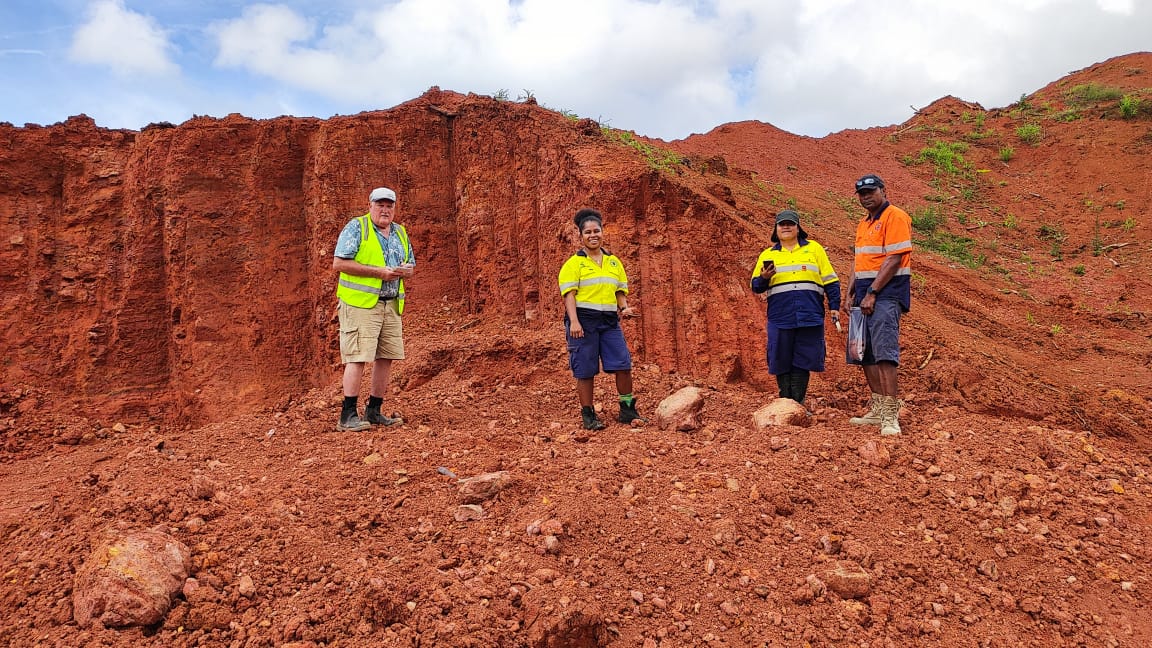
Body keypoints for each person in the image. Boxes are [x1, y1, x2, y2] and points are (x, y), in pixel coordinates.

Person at [331, 187, 415, 431]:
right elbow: (339, 263)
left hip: (390, 304)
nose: (385, 210)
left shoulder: (400, 232)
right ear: (370, 206)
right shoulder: (357, 228)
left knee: (385, 357)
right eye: (380, 205)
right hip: (360, 304)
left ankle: (374, 411)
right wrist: (379, 273)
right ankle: (347, 415)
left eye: (390, 205)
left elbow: (410, 263)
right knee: (357, 357)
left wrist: (406, 271)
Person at [557, 208, 646, 430]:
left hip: (609, 321)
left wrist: (623, 308)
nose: (593, 235)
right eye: (588, 232)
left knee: (622, 364)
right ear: (581, 236)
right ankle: (588, 415)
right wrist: (574, 321)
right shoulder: (574, 264)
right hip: (583, 321)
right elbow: (569, 295)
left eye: (596, 230)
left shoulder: (614, 262)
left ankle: (627, 409)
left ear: (603, 232)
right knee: (585, 369)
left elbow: (619, 292)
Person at [840, 174, 912, 436]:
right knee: (864, 353)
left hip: (886, 294)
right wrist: (849, 294)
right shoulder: (864, 223)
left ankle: (891, 415)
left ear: (883, 190)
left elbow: (894, 259)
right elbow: (858, 262)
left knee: (884, 351)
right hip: (863, 295)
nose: (866, 196)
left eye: (871, 191)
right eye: (861, 193)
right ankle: (879, 408)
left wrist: (872, 292)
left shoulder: (895, 216)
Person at [750, 210, 841, 405]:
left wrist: (835, 306)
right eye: (781, 224)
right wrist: (765, 277)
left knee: (803, 358)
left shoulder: (815, 250)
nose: (786, 227)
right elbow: (756, 287)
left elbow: (831, 281)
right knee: (780, 357)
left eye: (790, 224)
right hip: (780, 315)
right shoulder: (767, 255)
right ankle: (785, 402)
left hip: (809, 313)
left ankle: (797, 403)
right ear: (776, 229)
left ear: (798, 228)